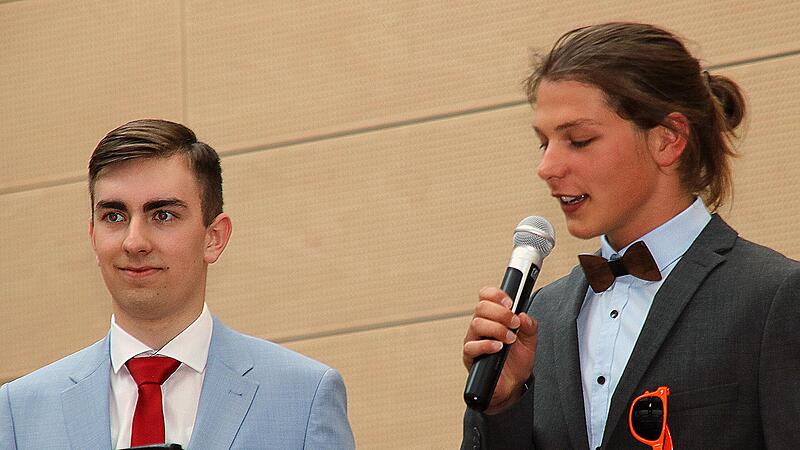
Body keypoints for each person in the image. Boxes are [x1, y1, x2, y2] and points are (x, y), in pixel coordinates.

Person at [461, 22, 800, 449]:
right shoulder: (539, 314)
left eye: (579, 140)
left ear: (667, 139)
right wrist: (502, 405)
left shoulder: (775, 296)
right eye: (543, 143)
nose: (547, 168)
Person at [0, 119, 355, 449]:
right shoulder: (21, 411)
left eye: (163, 215)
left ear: (214, 238)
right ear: (93, 237)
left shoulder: (304, 397)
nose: (134, 241)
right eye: (114, 216)